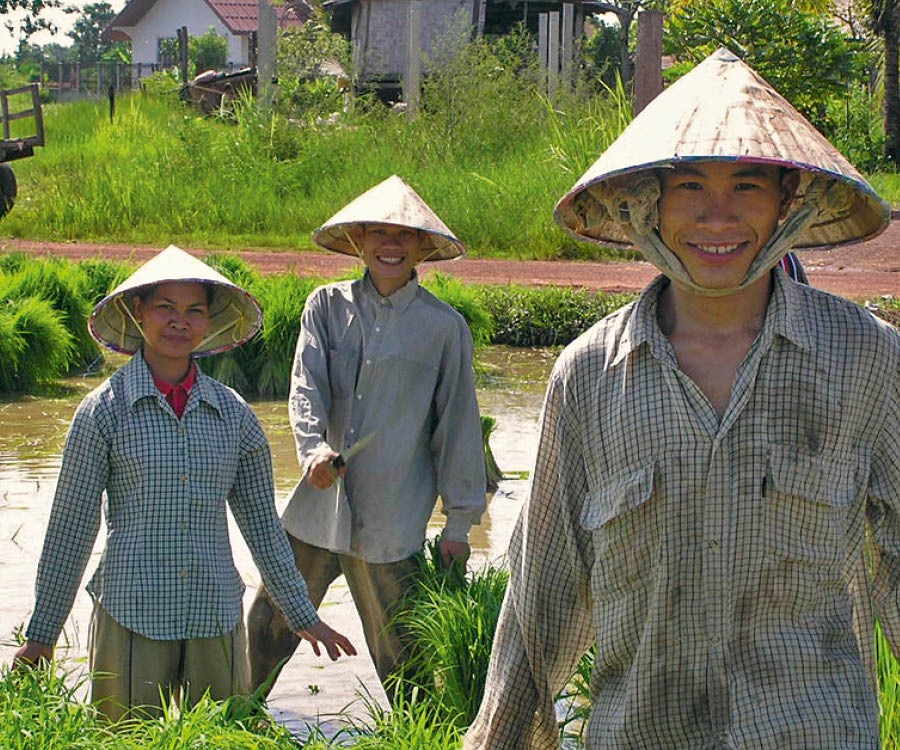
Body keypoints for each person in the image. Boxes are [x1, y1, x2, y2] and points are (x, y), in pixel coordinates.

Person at [465, 48, 900, 748]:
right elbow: (541, 600)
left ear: (788, 204)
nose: (717, 216)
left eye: (748, 186)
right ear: (649, 205)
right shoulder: (588, 378)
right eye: (690, 186)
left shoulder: (866, 358)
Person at [12, 245, 356, 721]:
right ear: (138, 312)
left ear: (208, 322)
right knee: (125, 739)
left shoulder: (233, 415)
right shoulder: (103, 411)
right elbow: (71, 528)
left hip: (214, 614)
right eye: (165, 307)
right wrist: (42, 634)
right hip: (131, 610)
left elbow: (263, 528)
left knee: (218, 737)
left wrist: (303, 615)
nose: (180, 322)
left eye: (195, 311)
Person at [247, 175, 486, 703]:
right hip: (316, 509)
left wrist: (458, 524)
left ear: (423, 246)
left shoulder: (443, 328)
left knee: (404, 657)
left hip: (391, 519)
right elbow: (305, 387)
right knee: (266, 626)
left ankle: (421, 734)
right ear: (358, 241)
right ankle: (236, 717)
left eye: (404, 235)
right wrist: (313, 451)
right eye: (378, 232)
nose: (390, 245)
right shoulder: (325, 306)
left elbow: (458, 428)